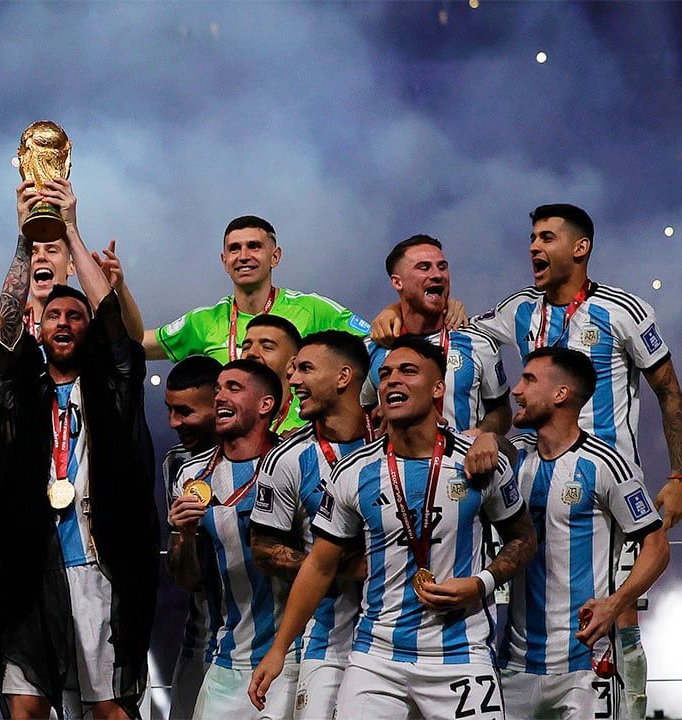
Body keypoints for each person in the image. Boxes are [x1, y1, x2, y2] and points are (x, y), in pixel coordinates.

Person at [373, 204, 682, 715]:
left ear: (580, 248)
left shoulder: (623, 310)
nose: (534, 248)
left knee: (619, 609)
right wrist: (397, 315)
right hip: (534, 468)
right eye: (532, 238)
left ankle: (628, 705)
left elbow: (669, 391)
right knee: (530, 580)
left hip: (610, 484)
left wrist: (677, 474)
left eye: (546, 238)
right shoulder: (519, 308)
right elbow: (458, 334)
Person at [248, 337, 536, 720]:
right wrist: (279, 649)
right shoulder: (353, 472)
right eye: (384, 374)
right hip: (376, 657)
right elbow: (319, 565)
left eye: (407, 371)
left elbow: (523, 539)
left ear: (438, 387)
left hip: (460, 654)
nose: (392, 380)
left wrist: (480, 583)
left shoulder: (478, 464)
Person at [0, 179, 158, 719]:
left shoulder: (115, 385)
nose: (63, 321)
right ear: (40, 331)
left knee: (109, 711)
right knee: (26, 709)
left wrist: (70, 230)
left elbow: (114, 322)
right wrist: (25, 238)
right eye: (54, 316)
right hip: (30, 566)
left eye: (75, 315)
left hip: (100, 562)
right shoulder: (21, 391)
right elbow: (9, 324)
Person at [471, 348, 668, 719]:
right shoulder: (516, 459)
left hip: (584, 665)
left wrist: (614, 604)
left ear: (560, 394)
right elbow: (493, 450)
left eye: (529, 380)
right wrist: (487, 437)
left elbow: (657, 545)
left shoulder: (605, 463)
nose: (516, 390)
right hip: (514, 664)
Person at [249, 330, 373, 719]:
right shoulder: (286, 458)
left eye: (305, 368)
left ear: (343, 377)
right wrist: (332, 564)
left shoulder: (394, 440)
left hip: (406, 640)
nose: (293, 379)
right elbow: (263, 549)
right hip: (326, 644)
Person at [166, 359, 291, 719]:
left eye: (233, 388)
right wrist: (184, 534)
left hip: (296, 655)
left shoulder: (297, 460)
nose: (220, 395)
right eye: (218, 388)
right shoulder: (191, 474)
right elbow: (187, 579)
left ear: (265, 405)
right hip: (228, 654)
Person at [144, 215, 372, 363]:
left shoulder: (312, 309)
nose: (243, 256)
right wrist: (114, 294)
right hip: (233, 437)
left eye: (254, 247)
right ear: (224, 261)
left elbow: (375, 342)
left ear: (275, 256)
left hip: (299, 437)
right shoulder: (203, 321)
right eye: (235, 249)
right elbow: (137, 346)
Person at [362, 235, 510, 433]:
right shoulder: (373, 347)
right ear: (398, 283)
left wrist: (481, 434)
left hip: (462, 463)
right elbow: (360, 409)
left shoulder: (477, 341)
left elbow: (501, 410)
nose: (437, 275)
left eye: (442, 267)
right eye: (424, 267)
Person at [160, 355, 223, 720]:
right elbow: (186, 576)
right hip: (202, 635)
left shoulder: (278, 457)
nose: (173, 423)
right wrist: (183, 537)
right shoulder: (178, 465)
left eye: (185, 412)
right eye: (170, 410)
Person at [13, 180, 145, 341]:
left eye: (52, 250)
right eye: (33, 252)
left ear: (71, 266)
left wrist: (70, 227)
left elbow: (133, 340)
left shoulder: (85, 329)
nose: (41, 257)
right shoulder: (16, 331)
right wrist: (24, 230)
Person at [241, 314, 305, 434]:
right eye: (246, 347)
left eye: (267, 347)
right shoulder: (223, 418)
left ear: (293, 364)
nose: (251, 353)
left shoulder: (309, 421)